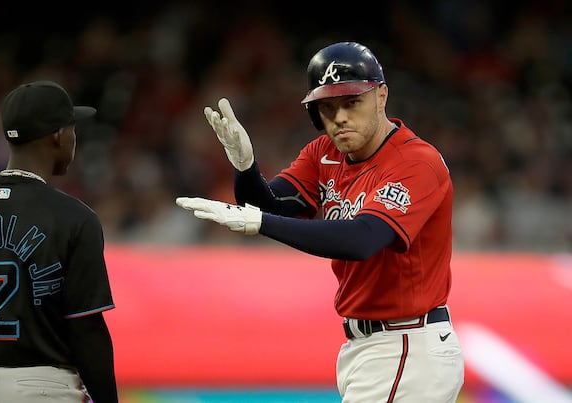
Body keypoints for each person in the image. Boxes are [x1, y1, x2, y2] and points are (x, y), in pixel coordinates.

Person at [176, 41, 464, 402]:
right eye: (328, 107)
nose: (340, 117)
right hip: (372, 349)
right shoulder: (325, 152)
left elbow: (362, 239)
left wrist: (259, 222)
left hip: (407, 346)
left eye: (351, 102)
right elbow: (270, 205)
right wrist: (244, 167)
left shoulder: (416, 162)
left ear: (381, 96)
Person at [0, 80, 118, 402]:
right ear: (58, 135)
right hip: (43, 387)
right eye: (73, 128)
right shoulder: (75, 217)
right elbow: (86, 330)